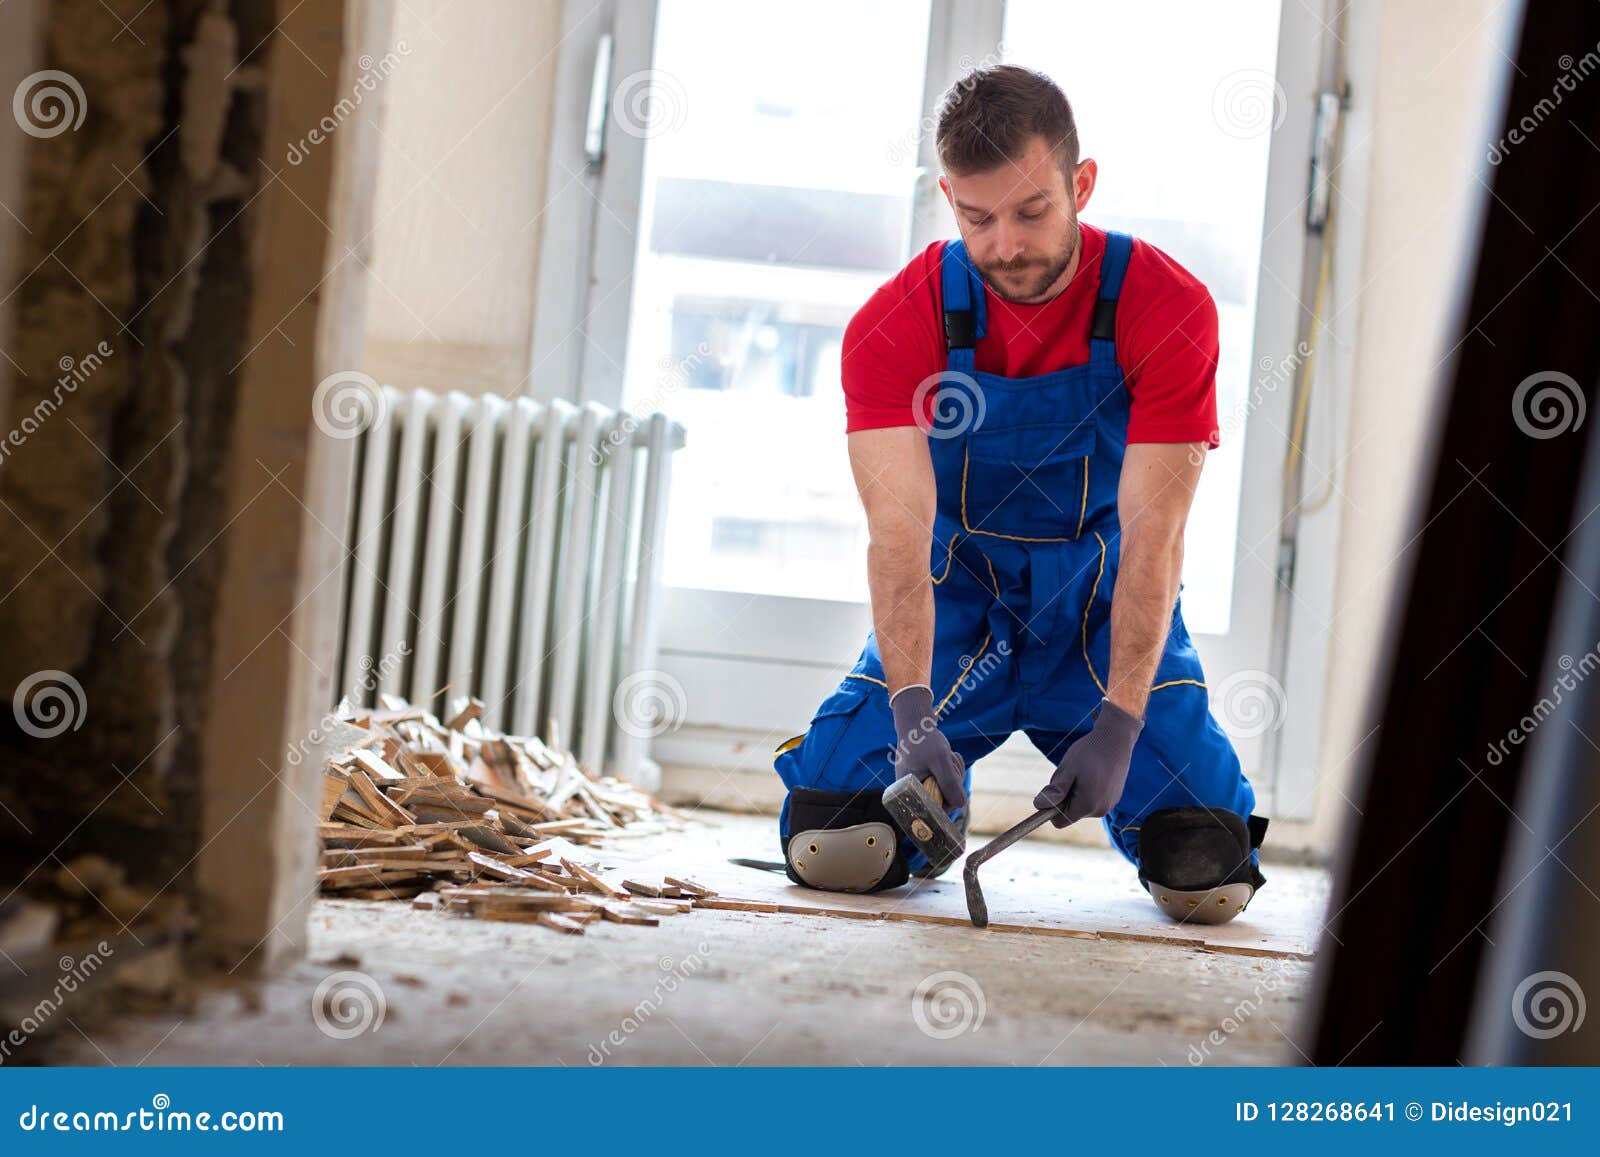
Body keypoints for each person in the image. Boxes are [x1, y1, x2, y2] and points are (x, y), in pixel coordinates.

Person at [771, 65, 1268, 925]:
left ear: (1081, 184)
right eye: (977, 217)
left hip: (1099, 613)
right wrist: (915, 710)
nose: (1005, 244)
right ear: (948, 200)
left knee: (1209, 875)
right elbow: (898, 540)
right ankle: (936, 815)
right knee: (835, 844)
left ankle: (1157, 804)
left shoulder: (1169, 307)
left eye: (1032, 211)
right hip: (960, 613)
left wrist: (1118, 725)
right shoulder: (895, 324)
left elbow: (1157, 541)